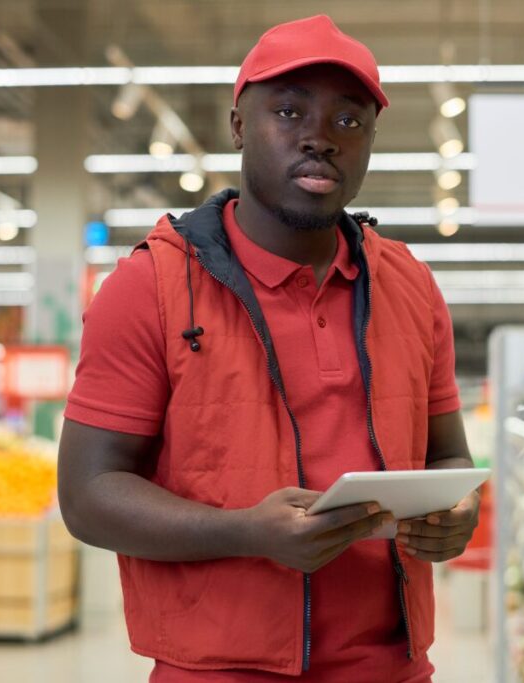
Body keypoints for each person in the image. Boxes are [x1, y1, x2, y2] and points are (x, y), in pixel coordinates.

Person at [57, 14, 479, 683]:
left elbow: (448, 454)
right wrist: (246, 531)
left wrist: (458, 513)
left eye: (349, 120)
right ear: (237, 125)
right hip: (214, 670)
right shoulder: (150, 287)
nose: (320, 137)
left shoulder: (411, 285)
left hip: (394, 669)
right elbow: (87, 495)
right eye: (288, 112)